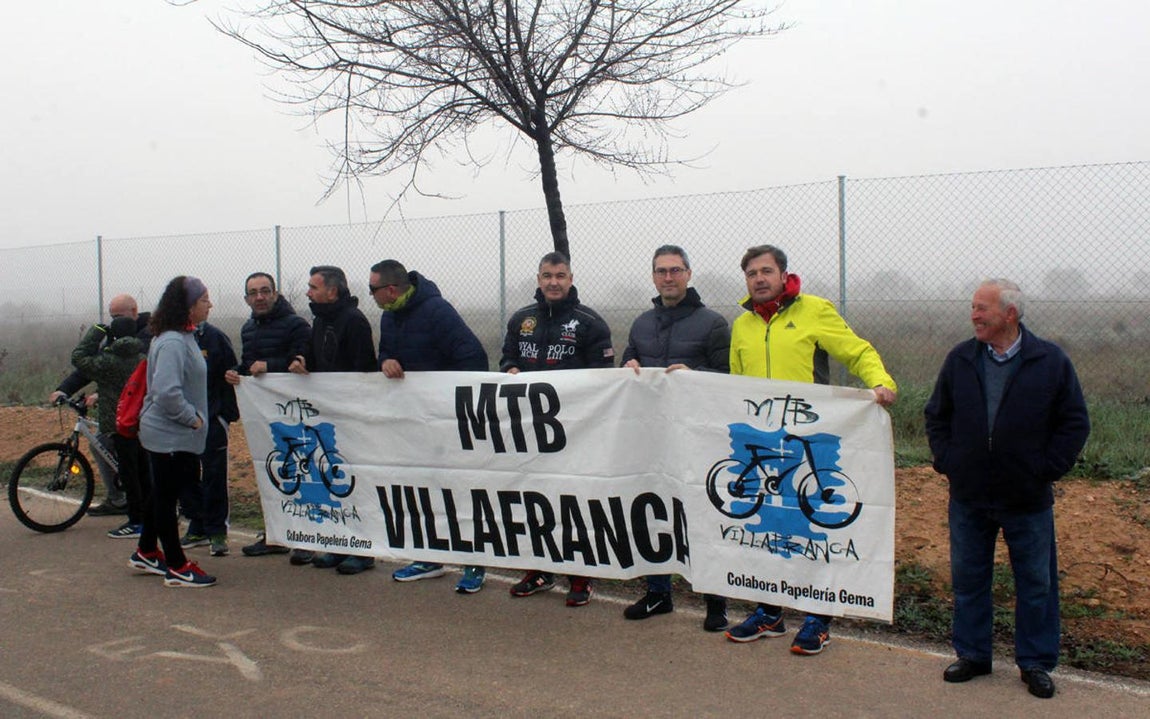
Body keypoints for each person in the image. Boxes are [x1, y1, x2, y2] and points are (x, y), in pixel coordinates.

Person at [725, 244, 897, 655]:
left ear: (784, 275)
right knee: (769, 525)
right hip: (765, 438)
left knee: (813, 523)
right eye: (752, 273)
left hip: (812, 434)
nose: (759, 279)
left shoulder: (813, 310)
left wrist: (880, 380)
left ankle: (819, 618)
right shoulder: (742, 325)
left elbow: (856, 350)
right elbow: (735, 380)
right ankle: (770, 612)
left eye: (767, 271)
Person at [925, 279, 1089, 699]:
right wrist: (949, 461)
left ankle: (1035, 662)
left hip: (1027, 499)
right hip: (970, 496)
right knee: (969, 580)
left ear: (1009, 314)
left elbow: (1074, 422)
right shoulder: (961, 359)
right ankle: (973, 654)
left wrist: (1046, 469)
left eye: (982, 308)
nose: (974, 315)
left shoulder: (1050, 361)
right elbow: (937, 415)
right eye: (973, 307)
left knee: (1036, 584)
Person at [619, 245, 731, 631]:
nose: (669, 277)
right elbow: (628, 362)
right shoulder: (641, 323)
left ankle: (715, 602)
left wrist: (694, 374)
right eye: (661, 271)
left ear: (688, 274)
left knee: (701, 515)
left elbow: (728, 375)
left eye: (676, 270)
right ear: (653, 276)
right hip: (652, 435)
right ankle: (658, 593)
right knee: (653, 514)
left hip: (697, 435)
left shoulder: (713, 323)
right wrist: (628, 365)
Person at [370, 259, 491, 593]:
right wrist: (386, 362)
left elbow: (473, 358)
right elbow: (384, 353)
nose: (372, 296)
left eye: (373, 289)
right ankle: (429, 556)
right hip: (414, 420)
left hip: (448, 420)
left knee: (461, 489)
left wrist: (449, 402)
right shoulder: (388, 316)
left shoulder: (438, 311)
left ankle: (475, 561)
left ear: (391, 289)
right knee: (423, 486)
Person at [501, 251, 614, 607]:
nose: (553, 281)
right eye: (547, 275)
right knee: (533, 499)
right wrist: (510, 369)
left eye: (560, 275)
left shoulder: (590, 322)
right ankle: (539, 569)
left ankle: (580, 574)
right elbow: (507, 357)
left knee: (572, 502)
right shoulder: (521, 319)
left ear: (570, 278)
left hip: (575, 433)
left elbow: (605, 379)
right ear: (538, 278)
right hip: (530, 429)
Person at [127, 276, 217, 587]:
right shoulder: (173, 342)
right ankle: (177, 565)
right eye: (204, 300)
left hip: (174, 434)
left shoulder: (182, 337)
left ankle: (147, 551)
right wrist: (192, 419)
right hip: (169, 434)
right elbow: (166, 392)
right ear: (189, 306)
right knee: (167, 497)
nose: (209, 304)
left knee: (159, 492)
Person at [289, 265, 378, 575]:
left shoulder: (354, 322)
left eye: (314, 287)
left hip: (350, 416)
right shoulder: (319, 320)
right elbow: (316, 357)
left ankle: (364, 549)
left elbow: (363, 369)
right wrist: (303, 361)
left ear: (332, 290)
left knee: (355, 480)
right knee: (331, 478)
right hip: (326, 414)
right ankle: (339, 544)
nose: (308, 292)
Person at [227, 272, 312, 559]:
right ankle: (275, 533)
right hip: (264, 418)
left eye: (265, 291)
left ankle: (307, 538)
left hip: (296, 416)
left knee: (303, 474)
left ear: (275, 293)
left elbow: (303, 363)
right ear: (247, 298)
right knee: (270, 472)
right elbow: (249, 364)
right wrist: (237, 373)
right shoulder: (248, 328)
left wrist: (270, 365)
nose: (260, 297)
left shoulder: (296, 325)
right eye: (254, 293)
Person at [50, 293, 147, 516]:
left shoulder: (147, 336)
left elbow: (122, 372)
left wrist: (99, 394)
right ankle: (118, 498)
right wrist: (63, 389)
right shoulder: (118, 338)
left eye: (118, 316)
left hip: (135, 412)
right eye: (111, 316)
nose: (113, 321)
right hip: (119, 411)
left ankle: (137, 509)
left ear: (134, 312)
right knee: (101, 444)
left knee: (136, 461)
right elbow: (92, 369)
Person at [69, 313, 147, 538]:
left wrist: (96, 331)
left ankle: (136, 522)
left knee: (129, 473)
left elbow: (79, 356)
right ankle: (146, 518)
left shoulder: (106, 361)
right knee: (141, 472)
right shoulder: (144, 357)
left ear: (113, 335)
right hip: (142, 421)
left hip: (118, 422)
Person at [177, 321, 239, 557]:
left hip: (212, 418)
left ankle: (217, 532)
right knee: (185, 474)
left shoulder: (215, 337)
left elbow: (231, 372)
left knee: (213, 474)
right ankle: (198, 524)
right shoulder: (172, 338)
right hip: (183, 419)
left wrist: (224, 415)